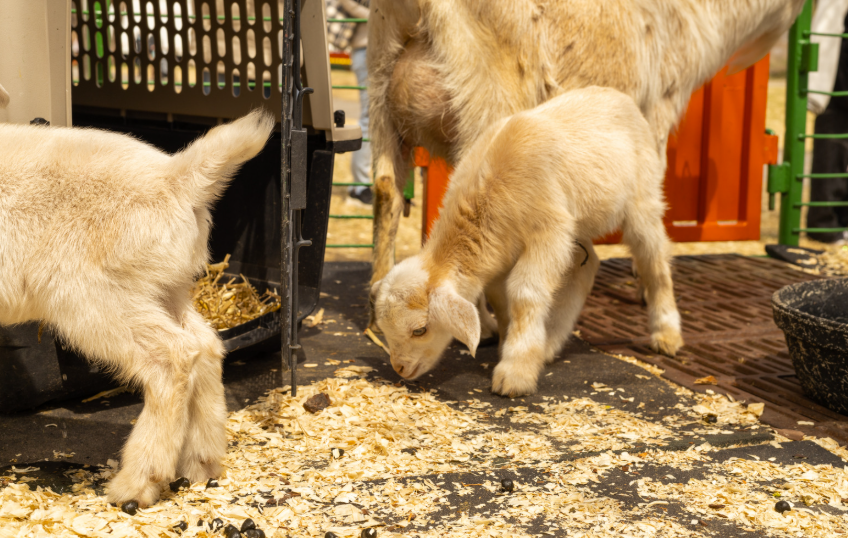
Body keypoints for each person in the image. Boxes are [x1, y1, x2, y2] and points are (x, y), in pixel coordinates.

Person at [806, 0, 848, 244]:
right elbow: (827, 26)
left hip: (839, 81)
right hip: (837, 85)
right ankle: (824, 223)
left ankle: (840, 220)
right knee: (831, 153)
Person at [328, 0, 372, 205]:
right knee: (369, 117)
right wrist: (377, 17)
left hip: (389, 46)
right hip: (366, 49)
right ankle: (360, 186)